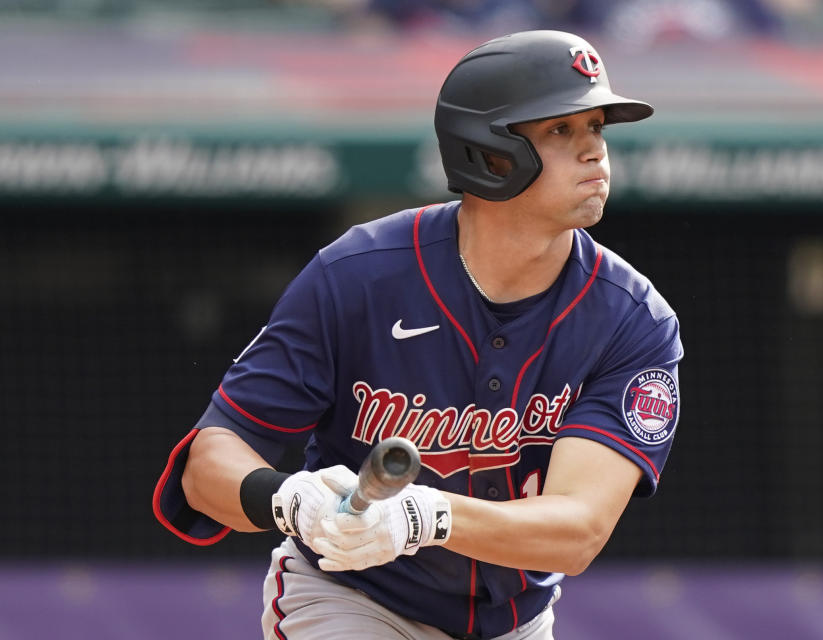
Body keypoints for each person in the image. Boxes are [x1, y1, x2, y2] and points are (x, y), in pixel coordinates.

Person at [153, 29, 683, 640]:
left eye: (597, 127)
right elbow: (207, 466)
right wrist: (291, 500)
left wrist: (426, 515)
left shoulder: (633, 317)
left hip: (517, 622)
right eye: (561, 130)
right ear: (488, 152)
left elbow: (578, 532)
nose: (594, 150)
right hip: (352, 597)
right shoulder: (357, 275)